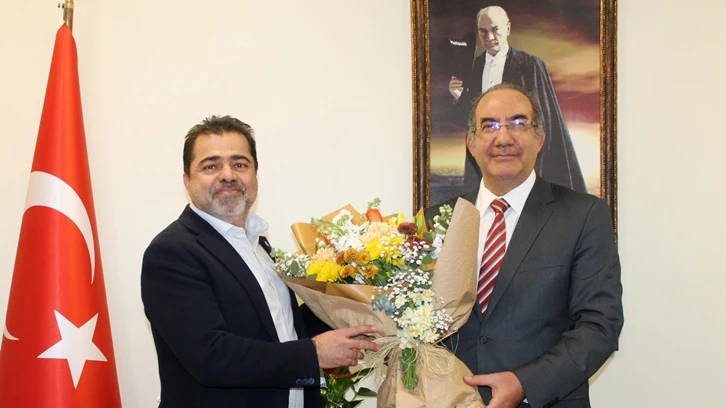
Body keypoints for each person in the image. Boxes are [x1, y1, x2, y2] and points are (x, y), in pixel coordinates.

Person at [141, 115, 379, 408]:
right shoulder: (171, 252)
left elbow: (281, 330)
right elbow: (211, 356)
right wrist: (314, 353)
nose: (228, 175)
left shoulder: (260, 245)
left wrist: (350, 302)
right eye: (211, 166)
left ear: (255, 175)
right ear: (187, 181)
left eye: (240, 164)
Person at [426, 83, 623, 408]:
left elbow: (600, 326)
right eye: (489, 126)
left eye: (518, 123)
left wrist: (525, 382)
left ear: (539, 138)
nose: (503, 138)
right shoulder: (436, 220)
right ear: (471, 143)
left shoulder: (584, 215)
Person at [448, 5, 587, 194]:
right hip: (484, 165)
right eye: (483, 31)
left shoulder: (530, 65)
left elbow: (545, 120)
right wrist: (458, 98)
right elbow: (470, 123)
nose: (489, 37)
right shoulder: (473, 67)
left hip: (523, 163)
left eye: (495, 29)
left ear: (508, 28)